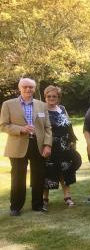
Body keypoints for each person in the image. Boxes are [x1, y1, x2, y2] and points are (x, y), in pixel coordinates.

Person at [1, 78, 52, 216]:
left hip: (38, 145)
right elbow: (3, 125)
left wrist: (47, 145)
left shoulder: (42, 105)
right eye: (25, 87)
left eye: (31, 87)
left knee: (38, 176)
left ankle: (37, 205)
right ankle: (16, 206)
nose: (28, 89)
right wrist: (21, 129)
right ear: (20, 88)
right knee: (18, 177)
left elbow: (48, 128)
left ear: (34, 89)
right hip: (17, 145)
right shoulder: (8, 104)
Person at [42, 86, 79, 208]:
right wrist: (45, 146)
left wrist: (73, 141)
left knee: (66, 171)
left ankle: (67, 197)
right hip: (50, 147)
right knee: (48, 173)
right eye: (49, 96)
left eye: (54, 96)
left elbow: (68, 125)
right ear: (45, 97)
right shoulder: (42, 110)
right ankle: (44, 199)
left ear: (58, 98)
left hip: (65, 147)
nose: (51, 98)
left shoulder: (62, 108)